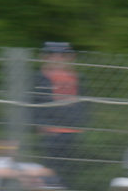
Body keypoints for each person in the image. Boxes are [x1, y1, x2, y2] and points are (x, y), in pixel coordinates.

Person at [32, 43, 87, 183]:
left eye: (62, 55)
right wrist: (41, 125)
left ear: (70, 57)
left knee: (71, 172)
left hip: (74, 131)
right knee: (52, 171)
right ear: (44, 57)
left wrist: (82, 125)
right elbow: (33, 104)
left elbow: (85, 104)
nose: (56, 58)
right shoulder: (38, 78)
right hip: (51, 132)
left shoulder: (77, 77)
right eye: (51, 54)